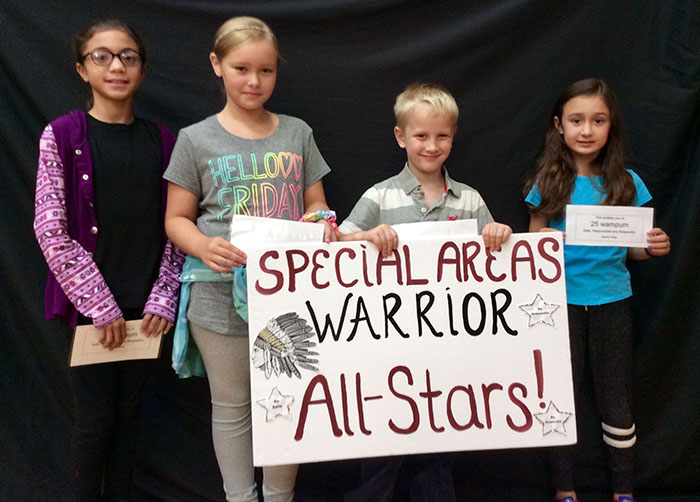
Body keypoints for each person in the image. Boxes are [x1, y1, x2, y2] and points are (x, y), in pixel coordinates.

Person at [163, 16, 334, 502]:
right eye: (241, 68)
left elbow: (316, 203)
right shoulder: (195, 139)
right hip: (218, 294)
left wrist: (319, 222)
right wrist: (200, 244)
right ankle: (240, 498)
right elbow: (176, 218)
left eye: (266, 70)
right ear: (217, 65)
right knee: (232, 407)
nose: (254, 81)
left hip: (289, 292)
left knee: (285, 400)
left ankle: (280, 498)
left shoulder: (297, 132)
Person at [337, 82, 512, 502]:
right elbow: (337, 243)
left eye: (442, 136)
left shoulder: (469, 200)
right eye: (421, 135)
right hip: (387, 344)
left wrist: (497, 231)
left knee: (443, 444)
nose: (432, 146)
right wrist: (364, 237)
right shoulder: (379, 195)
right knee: (382, 441)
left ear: (453, 137)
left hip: (448, 346)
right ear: (401, 137)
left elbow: (494, 251)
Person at [32, 19, 184, 501]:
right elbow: (50, 228)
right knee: (96, 421)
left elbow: (180, 225)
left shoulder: (165, 142)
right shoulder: (61, 135)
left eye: (128, 56)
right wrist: (101, 306)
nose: (116, 65)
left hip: (147, 310)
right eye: (102, 56)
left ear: (141, 70)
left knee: (129, 420)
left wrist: (163, 296)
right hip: (89, 311)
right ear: (82, 69)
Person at [524, 78, 671, 502]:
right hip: (557, 306)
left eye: (598, 120)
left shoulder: (626, 183)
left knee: (615, 396)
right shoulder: (548, 182)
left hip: (612, 302)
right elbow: (534, 247)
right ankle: (564, 488)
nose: (586, 130)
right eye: (577, 120)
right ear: (559, 126)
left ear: (611, 127)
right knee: (559, 397)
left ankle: (623, 490)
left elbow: (636, 250)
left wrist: (653, 246)